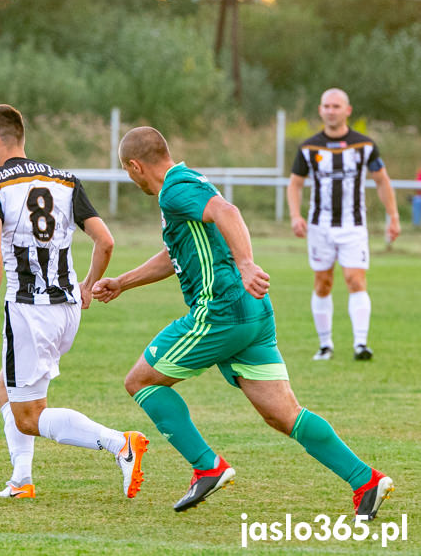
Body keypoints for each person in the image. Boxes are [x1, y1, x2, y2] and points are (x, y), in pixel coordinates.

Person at [93, 126, 393, 519]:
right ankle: (365, 481)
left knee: (141, 381)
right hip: (253, 313)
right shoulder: (189, 183)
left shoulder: (173, 189)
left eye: (129, 174)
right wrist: (123, 282)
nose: (133, 182)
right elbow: (175, 254)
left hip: (220, 313)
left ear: (135, 166)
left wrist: (247, 262)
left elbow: (227, 212)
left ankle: (207, 467)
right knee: (283, 415)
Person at [0, 104, 148, 500]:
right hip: (67, 309)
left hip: (29, 310)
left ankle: (120, 443)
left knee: (30, 416)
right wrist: (88, 285)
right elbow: (106, 241)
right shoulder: (65, 180)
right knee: (7, 388)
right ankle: (21, 480)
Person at [287, 88, 401, 362]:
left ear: (347, 110)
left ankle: (361, 344)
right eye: (326, 106)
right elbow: (295, 183)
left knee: (355, 279)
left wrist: (393, 216)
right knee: (323, 282)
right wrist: (295, 215)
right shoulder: (308, 148)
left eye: (336, 106)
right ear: (320, 110)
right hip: (319, 226)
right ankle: (325, 345)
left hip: (353, 226)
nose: (331, 110)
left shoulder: (365, 146)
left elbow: (382, 180)